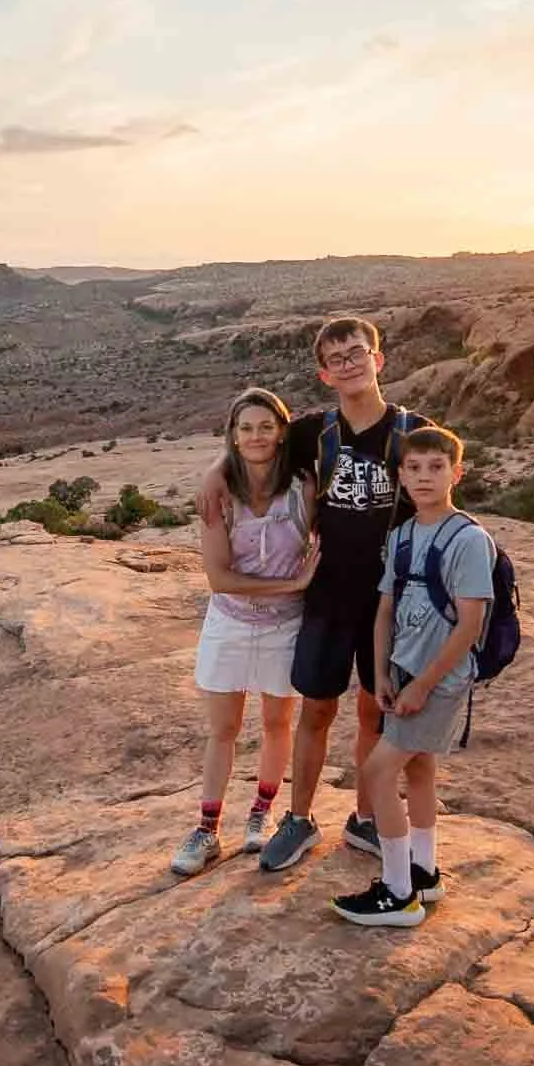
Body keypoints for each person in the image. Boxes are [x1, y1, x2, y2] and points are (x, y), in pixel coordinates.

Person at [197, 316, 442, 874]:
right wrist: (214, 471)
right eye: (337, 359)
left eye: (358, 353)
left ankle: (363, 818)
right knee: (316, 707)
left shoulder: (412, 430)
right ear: (324, 374)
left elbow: (439, 490)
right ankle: (300, 818)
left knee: (374, 710)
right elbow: (257, 444)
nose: (349, 364)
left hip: (391, 598)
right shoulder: (316, 431)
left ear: (379, 360)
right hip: (328, 594)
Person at [332, 425, 493, 926]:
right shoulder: (402, 535)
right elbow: (385, 610)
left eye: (436, 467)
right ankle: (424, 872)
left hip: (438, 681)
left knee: (378, 771)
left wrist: (423, 684)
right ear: (400, 476)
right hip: (403, 671)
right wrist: (380, 673)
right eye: (415, 468)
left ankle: (399, 893)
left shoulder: (468, 539)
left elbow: (471, 622)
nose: (425, 477)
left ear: (456, 472)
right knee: (419, 767)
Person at [172, 388, 320, 876]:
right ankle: (208, 829)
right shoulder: (220, 493)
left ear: (281, 432)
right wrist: (294, 582)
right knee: (224, 729)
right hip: (231, 621)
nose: (256, 436)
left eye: (265, 426)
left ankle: (262, 813)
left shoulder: (303, 485)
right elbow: (219, 578)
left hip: (284, 626)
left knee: (278, 723)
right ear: (232, 438)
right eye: (245, 428)